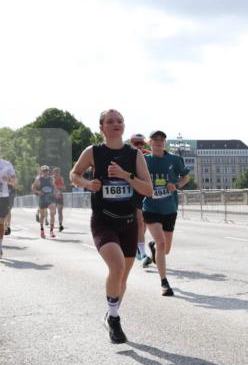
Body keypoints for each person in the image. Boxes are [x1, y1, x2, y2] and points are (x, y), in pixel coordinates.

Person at [71, 111, 153, 343]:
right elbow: (74, 174)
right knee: (116, 267)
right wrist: (88, 183)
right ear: (102, 128)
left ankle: (111, 313)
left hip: (127, 222)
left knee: (122, 279)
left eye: (119, 121)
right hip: (103, 220)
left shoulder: (134, 154)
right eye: (110, 122)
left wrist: (126, 176)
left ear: (124, 126)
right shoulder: (93, 152)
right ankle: (115, 321)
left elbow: (148, 190)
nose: (115, 124)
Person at [140, 129, 191, 296]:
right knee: (162, 243)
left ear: (165, 143)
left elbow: (186, 177)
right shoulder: (143, 160)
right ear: (150, 142)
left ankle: (153, 247)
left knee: (165, 249)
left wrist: (176, 185)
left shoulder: (174, 159)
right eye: (155, 139)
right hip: (150, 207)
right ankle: (164, 283)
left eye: (162, 139)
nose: (158, 141)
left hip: (169, 208)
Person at [129, 133, 150, 262]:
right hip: (134, 192)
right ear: (132, 144)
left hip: (147, 191)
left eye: (142, 143)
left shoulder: (148, 155)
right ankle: (142, 254)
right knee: (140, 223)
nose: (140, 146)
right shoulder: (127, 154)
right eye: (137, 144)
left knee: (145, 224)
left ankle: (137, 245)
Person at [31, 166, 58, 238]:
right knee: (42, 216)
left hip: (50, 198)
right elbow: (33, 187)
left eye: (47, 171)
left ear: (49, 171)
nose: (46, 172)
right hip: (42, 199)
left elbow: (54, 187)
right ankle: (42, 230)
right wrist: (38, 191)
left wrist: (56, 192)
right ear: (42, 172)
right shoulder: (39, 180)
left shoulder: (51, 179)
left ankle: (51, 231)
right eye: (44, 171)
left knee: (52, 213)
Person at [52, 167, 66, 231]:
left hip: (60, 196)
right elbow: (50, 186)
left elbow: (63, 187)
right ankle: (52, 222)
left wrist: (62, 188)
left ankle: (60, 224)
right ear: (53, 172)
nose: (57, 173)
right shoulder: (51, 178)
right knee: (54, 212)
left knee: (60, 211)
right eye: (56, 172)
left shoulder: (61, 178)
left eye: (58, 172)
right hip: (53, 196)